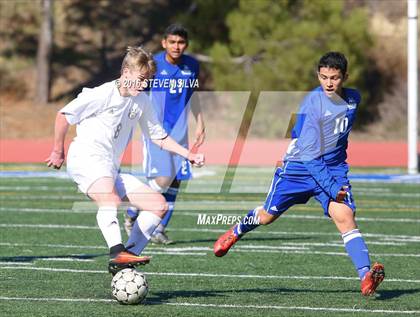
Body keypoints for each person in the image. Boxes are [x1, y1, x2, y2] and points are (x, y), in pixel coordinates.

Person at [213, 52, 385, 296]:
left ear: (345, 77)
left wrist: (337, 170)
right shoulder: (312, 105)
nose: (328, 83)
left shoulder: (353, 99)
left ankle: (365, 276)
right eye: (324, 77)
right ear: (318, 75)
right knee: (267, 216)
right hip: (299, 168)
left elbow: (340, 138)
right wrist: (333, 186)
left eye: (335, 78)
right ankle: (236, 231)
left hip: (332, 169)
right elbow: (308, 155)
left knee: (345, 215)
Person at [45, 46, 204, 275]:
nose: (143, 84)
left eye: (147, 80)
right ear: (126, 72)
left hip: (109, 167)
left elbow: (158, 136)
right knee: (110, 198)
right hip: (85, 158)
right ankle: (117, 251)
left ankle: (128, 258)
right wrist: (57, 151)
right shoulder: (101, 94)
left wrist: (188, 154)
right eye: (140, 79)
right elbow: (63, 116)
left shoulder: (142, 101)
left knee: (158, 205)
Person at [124, 24, 205, 245]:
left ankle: (158, 228)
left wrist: (200, 122)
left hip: (181, 132)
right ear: (164, 43)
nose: (176, 47)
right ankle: (133, 209)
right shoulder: (154, 64)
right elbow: (135, 89)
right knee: (163, 178)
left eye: (180, 43)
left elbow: (192, 95)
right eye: (172, 42)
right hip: (156, 132)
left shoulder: (192, 66)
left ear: (186, 45)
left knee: (176, 181)